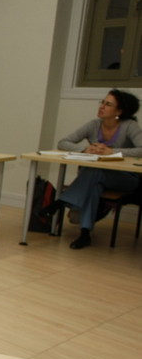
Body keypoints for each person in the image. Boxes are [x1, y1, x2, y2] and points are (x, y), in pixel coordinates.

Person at [40, 89, 142, 249]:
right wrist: (84, 149)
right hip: (95, 177)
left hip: (125, 179)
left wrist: (112, 151)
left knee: (93, 172)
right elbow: (63, 142)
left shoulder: (129, 126)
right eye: (102, 102)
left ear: (119, 111)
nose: (102, 106)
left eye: (108, 104)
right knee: (94, 181)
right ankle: (85, 233)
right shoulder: (94, 125)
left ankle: (60, 202)